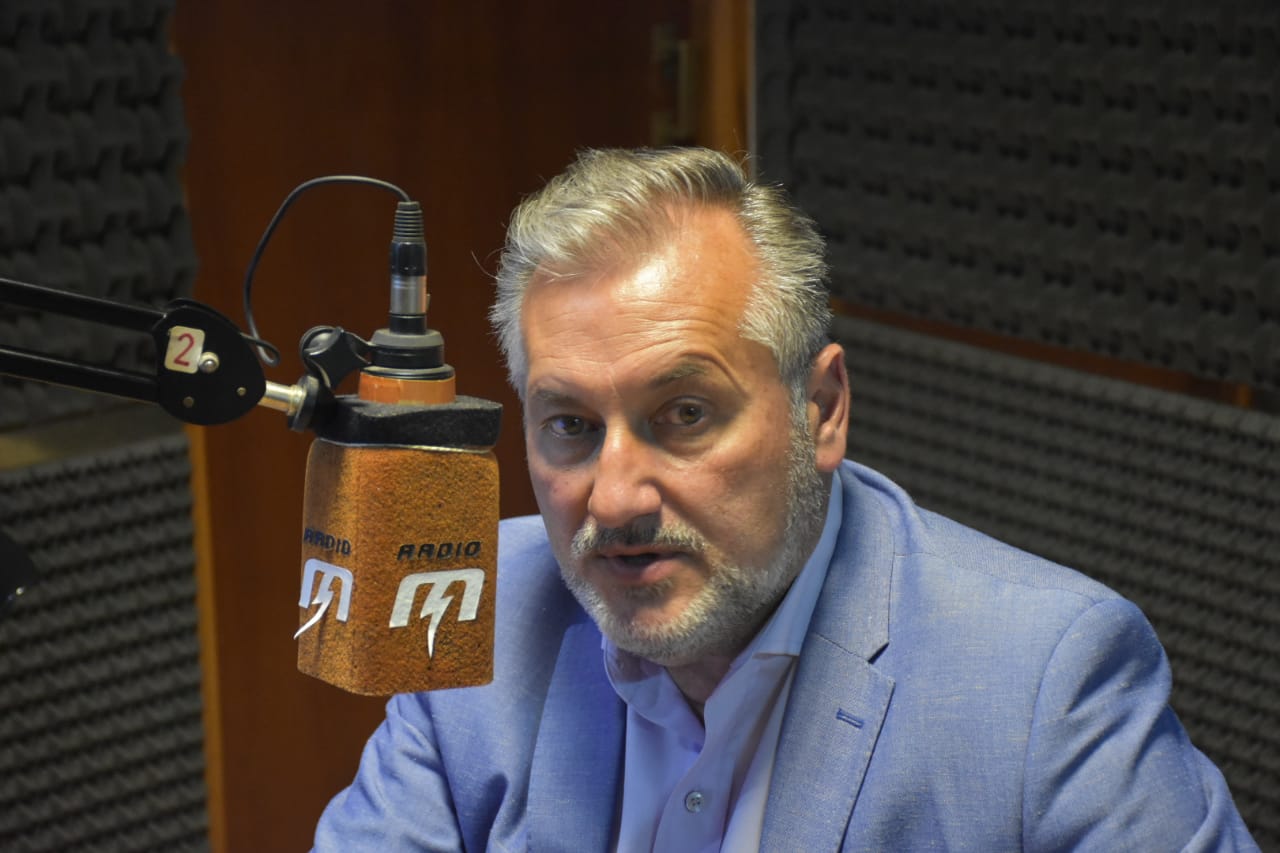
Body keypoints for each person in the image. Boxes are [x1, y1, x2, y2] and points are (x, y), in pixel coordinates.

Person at [312, 147, 1258, 851]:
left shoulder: (1042, 686)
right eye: (570, 424)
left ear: (823, 409)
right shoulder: (466, 616)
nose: (616, 494)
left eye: (685, 413)